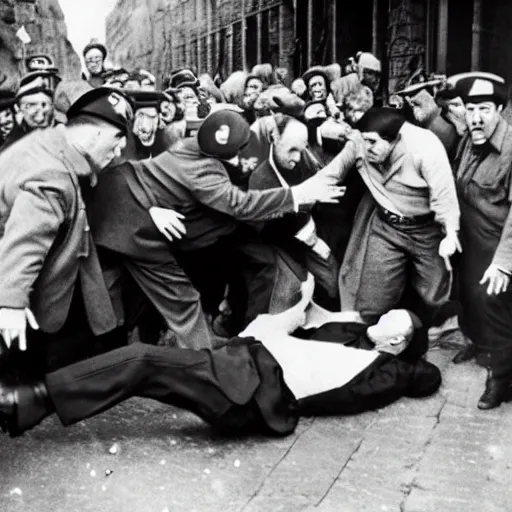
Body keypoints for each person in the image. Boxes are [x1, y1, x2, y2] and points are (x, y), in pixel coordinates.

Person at [0, 275, 442, 439]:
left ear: (398, 343)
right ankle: (31, 405)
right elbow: (286, 326)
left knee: (140, 360)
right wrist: (299, 308)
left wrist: (406, 360)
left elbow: (424, 376)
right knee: (139, 372)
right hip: (239, 368)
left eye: (393, 319)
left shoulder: (385, 368)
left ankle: (33, 398)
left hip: (246, 390)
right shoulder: (349, 332)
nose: (382, 314)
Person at [87, 109, 344, 345]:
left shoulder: (193, 145)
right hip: (147, 231)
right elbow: (239, 204)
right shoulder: (203, 173)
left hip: (187, 228)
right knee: (173, 298)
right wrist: (298, 195)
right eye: (234, 154)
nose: (240, 159)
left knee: (141, 295)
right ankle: (203, 355)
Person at [0, 87, 132, 372]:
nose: (120, 148)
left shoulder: (54, 143)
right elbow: (27, 239)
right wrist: (10, 302)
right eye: (117, 137)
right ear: (94, 134)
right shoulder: (53, 175)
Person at [337, 108, 460, 327]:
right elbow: (333, 171)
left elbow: (444, 193)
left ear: (392, 140)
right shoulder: (362, 142)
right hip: (387, 227)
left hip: (426, 229)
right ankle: (371, 335)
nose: (366, 149)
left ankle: (436, 327)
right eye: (364, 141)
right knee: (373, 297)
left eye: (372, 143)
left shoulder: (425, 147)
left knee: (435, 293)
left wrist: (450, 232)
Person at [451, 73, 512, 409]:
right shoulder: (467, 139)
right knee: (469, 298)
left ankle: (501, 378)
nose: (475, 117)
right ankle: (480, 343)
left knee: (493, 302)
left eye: (484, 109)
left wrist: (505, 262)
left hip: (500, 244)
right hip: (472, 242)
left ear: (500, 110)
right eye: (470, 108)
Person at [396, 79, 458, 159]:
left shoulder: (440, 128)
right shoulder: (428, 123)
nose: (410, 100)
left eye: (414, 93)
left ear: (432, 95)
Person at [1, 70, 60, 151]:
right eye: (30, 106)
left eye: (44, 105)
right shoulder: (13, 146)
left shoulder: (68, 133)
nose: (41, 116)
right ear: (18, 109)